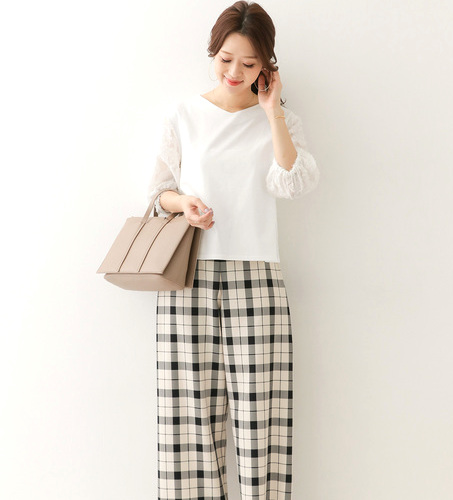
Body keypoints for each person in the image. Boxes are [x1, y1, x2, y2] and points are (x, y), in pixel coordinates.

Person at [147, 2, 319, 498]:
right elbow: (158, 194)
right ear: (213, 53)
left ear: (267, 65)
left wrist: (272, 112)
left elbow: (293, 182)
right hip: (187, 278)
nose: (235, 72)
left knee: (262, 420)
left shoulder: (278, 119)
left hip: (257, 279)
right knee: (189, 424)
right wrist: (184, 204)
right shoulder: (183, 114)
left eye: (249, 63)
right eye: (226, 59)